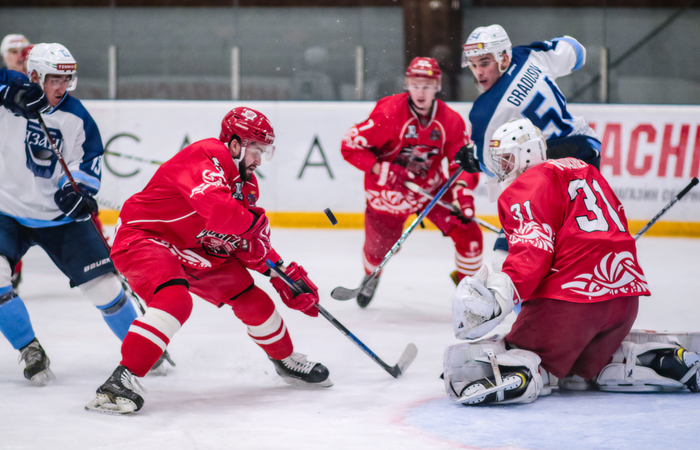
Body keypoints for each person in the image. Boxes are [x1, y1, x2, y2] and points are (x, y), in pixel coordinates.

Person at [85, 106, 331, 415]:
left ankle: (285, 359)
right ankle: (120, 381)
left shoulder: (247, 185)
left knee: (254, 301)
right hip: (145, 238)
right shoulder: (207, 155)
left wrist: (281, 274)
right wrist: (252, 229)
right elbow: (221, 212)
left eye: (265, 152)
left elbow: (244, 242)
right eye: (256, 149)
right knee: (175, 300)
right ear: (236, 144)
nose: (259, 159)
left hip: (194, 248)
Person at [444, 118, 699, 406]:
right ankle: (649, 360)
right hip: (624, 303)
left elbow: (532, 250)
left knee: (525, 350)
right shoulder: (585, 169)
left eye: (506, 160)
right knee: (582, 373)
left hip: (572, 303)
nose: (501, 169)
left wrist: (499, 295)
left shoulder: (527, 184)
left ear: (528, 154)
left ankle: (523, 372)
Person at [0, 43, 142, 385]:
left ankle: (143, 346)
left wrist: (75, 189)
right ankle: (29, 347)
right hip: (6, 210)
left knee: (105, 289)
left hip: (58, 219)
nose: (61, 88)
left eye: (67, 80)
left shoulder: (76, 116)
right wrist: (9, 91)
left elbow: (87, 160)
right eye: (53, 80)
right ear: (33, 76)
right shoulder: (9, 98)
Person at [340, 57, 483, 308]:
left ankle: (470, 290)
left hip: (431, 190)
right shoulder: (388, 113)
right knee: (377, 252)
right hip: (388, 193)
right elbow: (349, 145)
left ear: (437, 86)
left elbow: (461, 161)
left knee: (469, 233)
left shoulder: (450, 121)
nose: (421, 91)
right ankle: (372, 274)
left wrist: (463, 191)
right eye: (416, 84)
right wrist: (379, 168)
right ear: (407, 84)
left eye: (427, 85)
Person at [456, 24, 602, 270]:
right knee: (573, 236)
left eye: (484, 62)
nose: (478, 72)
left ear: (503, 58)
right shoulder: (528, 56)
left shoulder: (484, 112)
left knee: (506, 257)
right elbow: (576, 50)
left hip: (546, 176)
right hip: (586, 150)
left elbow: (497, 171)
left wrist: (475, 160)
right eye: (473, 64)